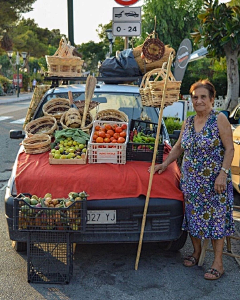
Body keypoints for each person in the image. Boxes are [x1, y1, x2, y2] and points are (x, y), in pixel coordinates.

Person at [149, 79, 235, 280]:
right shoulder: (188, 121)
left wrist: (223, 174)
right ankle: (196, 254)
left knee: (216, 220)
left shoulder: (219, 119)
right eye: (195, 97)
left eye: (203, 97)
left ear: (212, 99)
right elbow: (179, 147)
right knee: (193, 219)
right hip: (192, 181)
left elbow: (230, 149)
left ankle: (218, 263)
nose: (198, 101)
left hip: (215, 181)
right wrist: (165, 164)